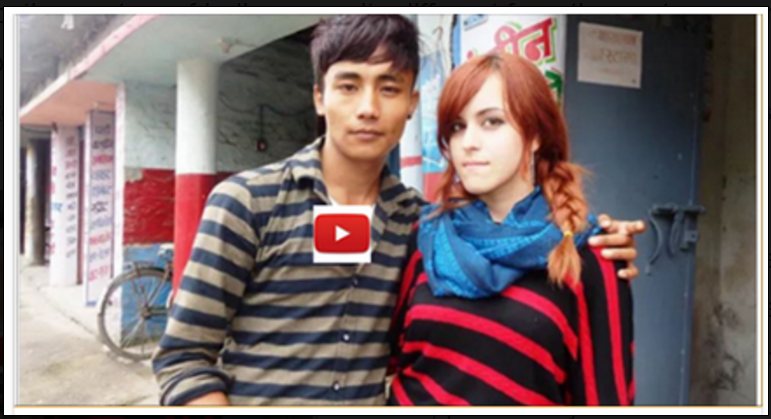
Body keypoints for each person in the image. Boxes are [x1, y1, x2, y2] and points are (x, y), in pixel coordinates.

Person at [152, 15, 643, 406]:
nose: (368, 107)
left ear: (412, 103)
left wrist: (595, 239)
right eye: (348, 86)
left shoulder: (417, 224)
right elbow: (184, 358)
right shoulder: (248, 203)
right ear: (319, 97)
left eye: (388, 88)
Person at [387, 52, 635, 406]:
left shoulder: (589, 253)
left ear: (535, 135)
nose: (468, 142)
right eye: (457, 126)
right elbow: (385, 354)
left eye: (492, 122)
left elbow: (606, 399)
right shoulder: (427, 236)